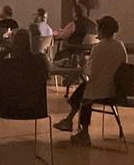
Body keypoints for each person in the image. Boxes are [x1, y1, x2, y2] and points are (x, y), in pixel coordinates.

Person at [54, 15, 127, 146]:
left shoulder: (98, 48)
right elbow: (124, 66)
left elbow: (89, 71)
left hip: (101, 89)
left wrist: (83, 64)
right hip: (116, 89)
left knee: (86, 92)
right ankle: (68, 120)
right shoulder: (120, 46)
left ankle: (83, 132)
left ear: (102, 30)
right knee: (85, 88)